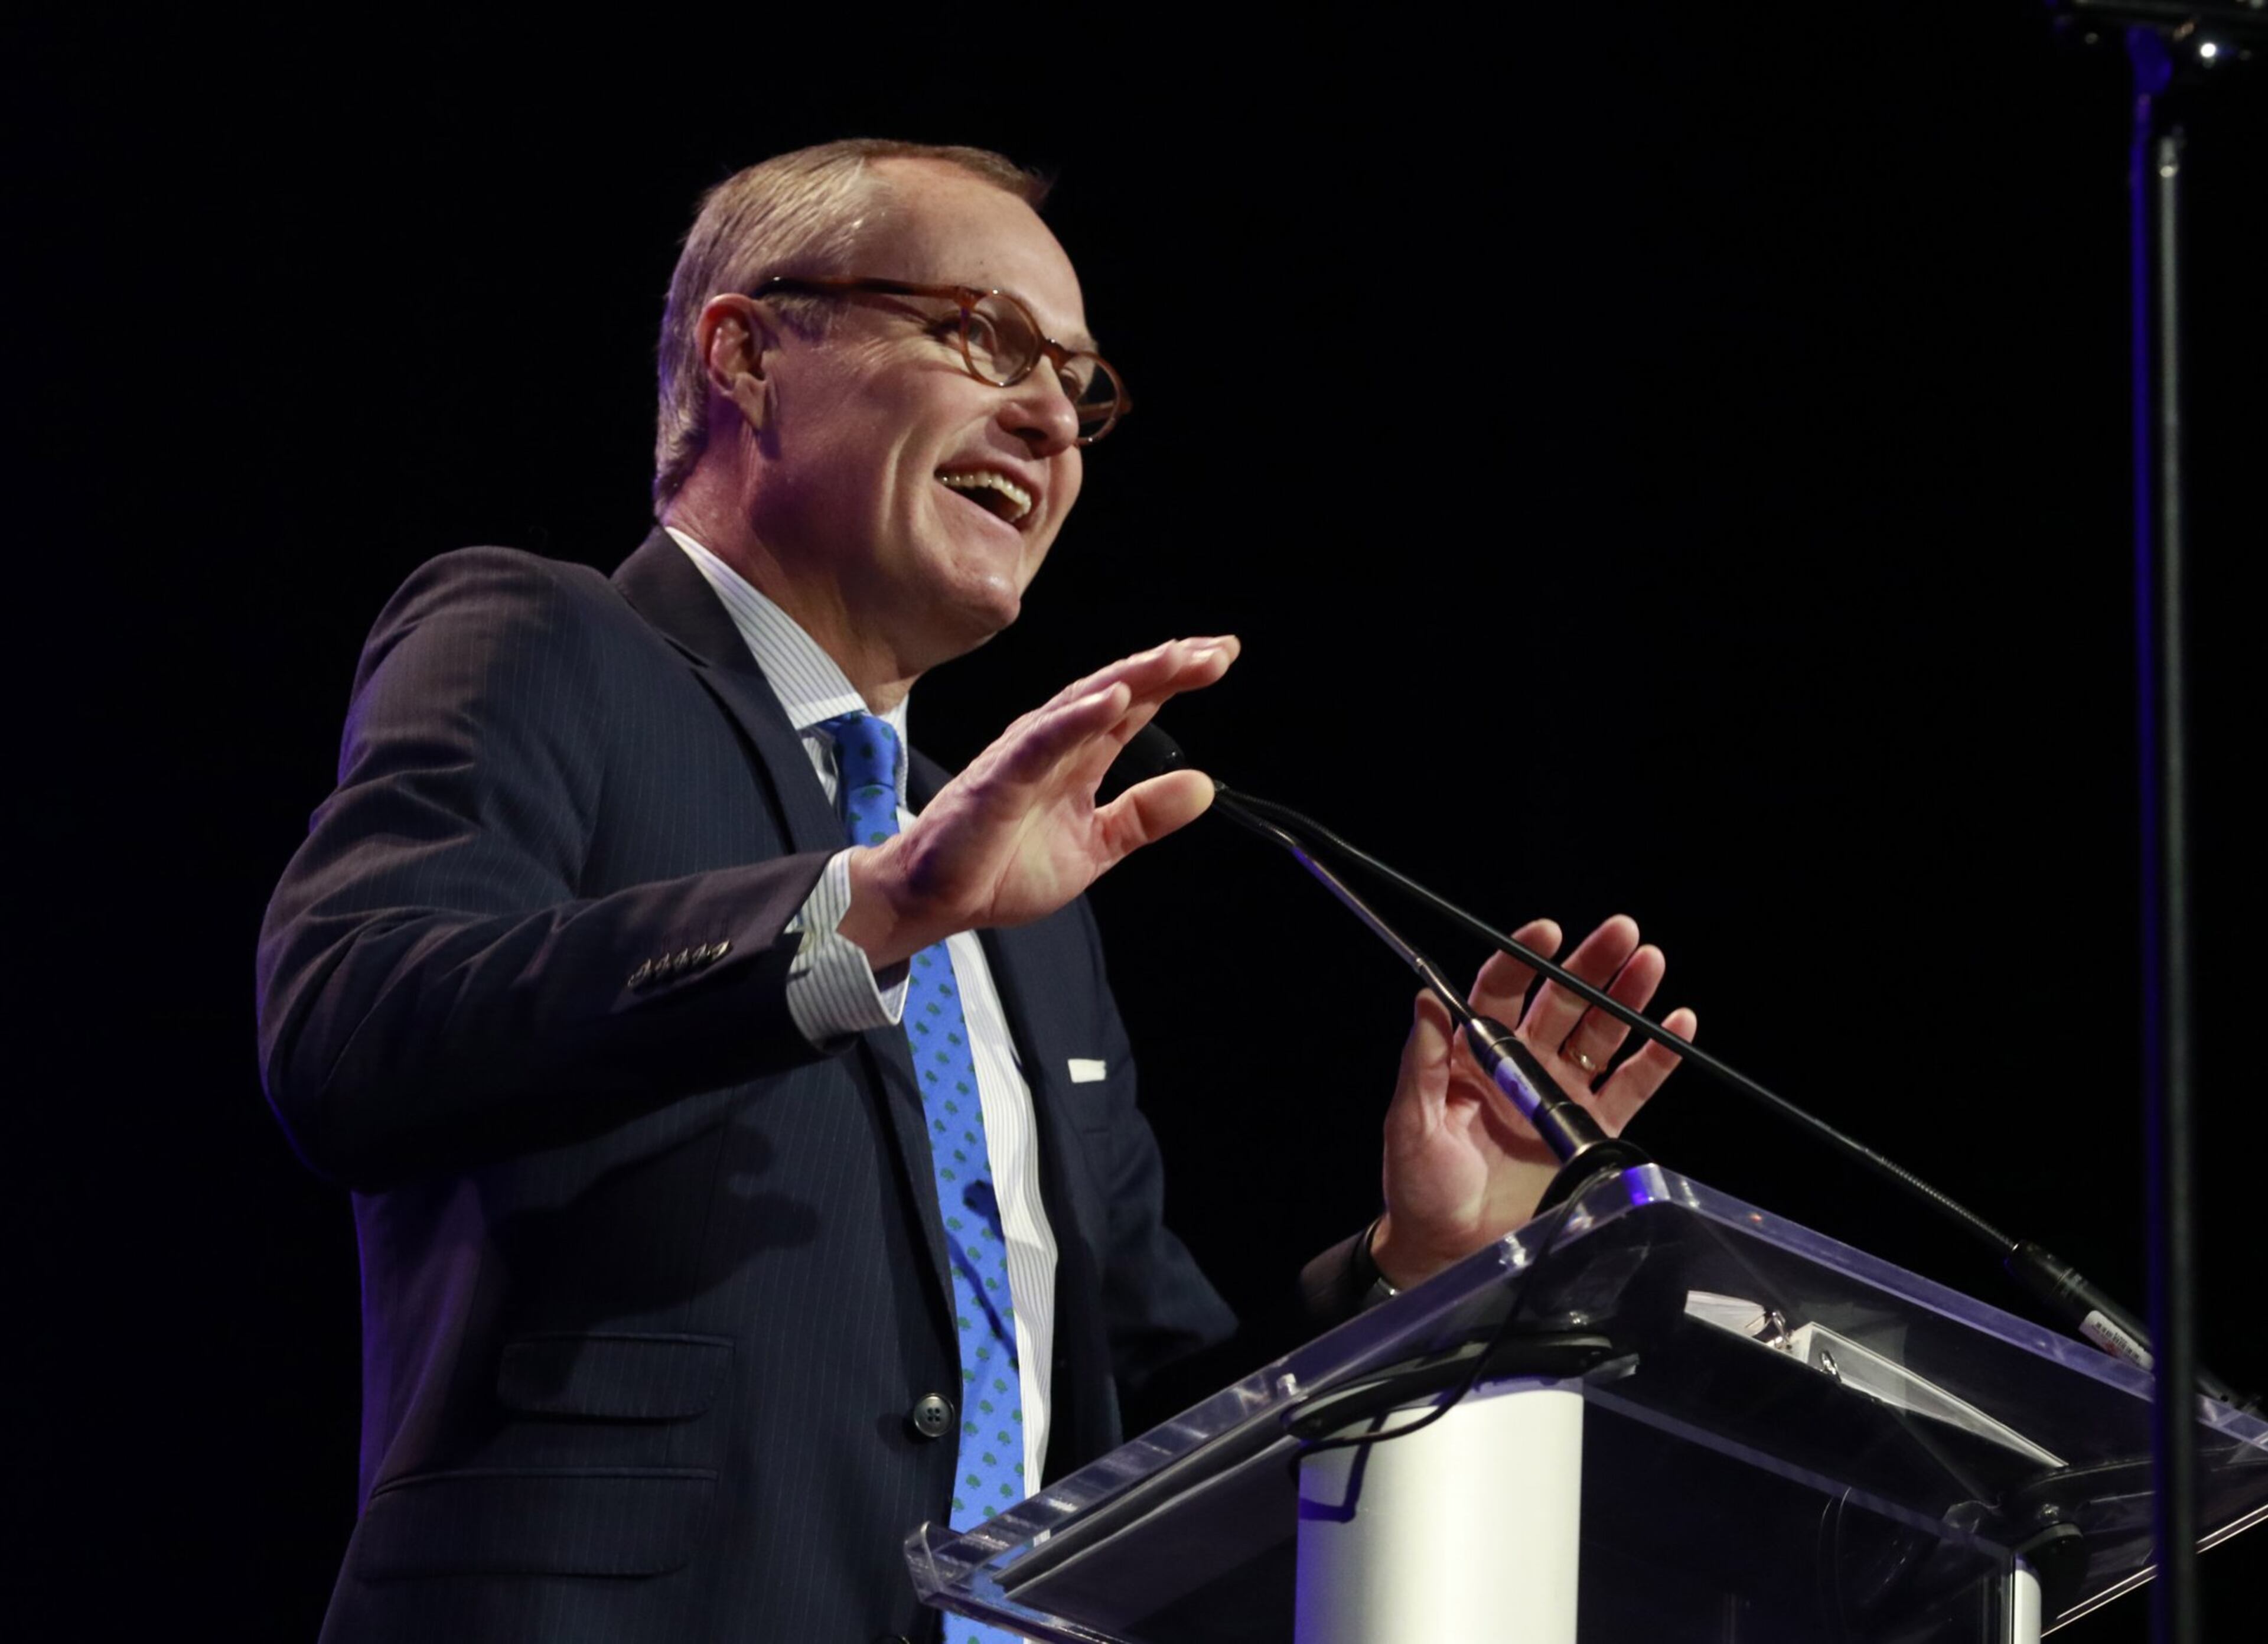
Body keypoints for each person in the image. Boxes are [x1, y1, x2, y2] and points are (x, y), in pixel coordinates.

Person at [256, 138, 1695, 1643]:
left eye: (1081, 387)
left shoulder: (1012, 878)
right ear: (745, 353)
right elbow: (351, 1035)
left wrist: (1426, 1259)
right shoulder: (541, 642)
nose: (1049, 420)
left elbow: (1135, 1422)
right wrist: (867, 915)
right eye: (983, 338)